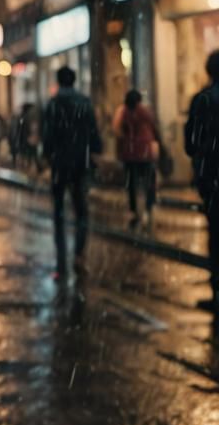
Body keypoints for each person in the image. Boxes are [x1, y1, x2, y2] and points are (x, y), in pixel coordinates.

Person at [41, 65, 102, 279]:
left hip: (60, 164)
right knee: (82, 211)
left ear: (59, 81)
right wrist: (94, 151)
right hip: (80, 163)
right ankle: (79, 255)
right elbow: (94, 133)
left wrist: (48, 157)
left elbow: (47, 137)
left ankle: (61, 263)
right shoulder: (84, 103)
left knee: (58, 213)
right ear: (74, 81)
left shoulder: (53, 104)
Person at [185, 50, 219, 314]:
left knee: (216, 233)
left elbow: (190, 143)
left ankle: (217, 291)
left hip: (212, 177)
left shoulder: (202, 100)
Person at [112, 89, 158, 233]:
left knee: (131, 183)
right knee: (149, 182)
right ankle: (148, 208)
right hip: (145, 151)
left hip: (130, 152)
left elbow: (117, 131)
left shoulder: (123, 112)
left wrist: (119, 151)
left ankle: (134, 211)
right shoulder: (145, 111)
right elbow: (154, 128)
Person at [9, 102, 40, 175]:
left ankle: (28, 170)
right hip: (27, 139)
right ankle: (30, 169)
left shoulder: (22, 117)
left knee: (28, 155)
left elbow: (18, 130)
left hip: (24, 139)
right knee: (31, 154)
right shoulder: (26, 117)